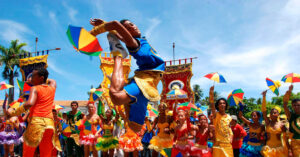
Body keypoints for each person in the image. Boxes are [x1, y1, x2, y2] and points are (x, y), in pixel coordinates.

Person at [89, 18, 165, 133]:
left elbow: (118, 31)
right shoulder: (135, 43)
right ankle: (118, 55)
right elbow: (115, 24)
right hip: (143, 81)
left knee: (135, 127)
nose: (133, 27)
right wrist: (93, 33)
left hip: (149, 84)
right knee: (116, 97)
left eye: (132, 24)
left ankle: (126, 92)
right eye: (128, 28)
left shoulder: (141, 41)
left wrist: (104, 25)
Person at [6, 67, 61, 157]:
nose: (31, 78)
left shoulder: (35, 88)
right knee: (46, 153)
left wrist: (12, 113)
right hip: (49, 125)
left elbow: (29, 103)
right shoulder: (52, 87)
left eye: (33, 76)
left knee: (28, 152)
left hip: (36, 123)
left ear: (41, 78)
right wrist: (38, 78)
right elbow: (52, 81)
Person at [261, 90, 289, 157]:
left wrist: (289, 150)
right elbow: (264, 111)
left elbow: (286, 138)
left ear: (278, 114)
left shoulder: (282, 124)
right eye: (271, 113)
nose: (273, 114)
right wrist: (264, 97)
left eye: (275, 113)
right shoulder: (268, 123)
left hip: (280, 149)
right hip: (269, 149)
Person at [209, 86, 233, 157]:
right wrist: (211, 93)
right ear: (218, 106)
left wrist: (231, 138)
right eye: (220, 103)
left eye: (224, 103)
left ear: (226, 105)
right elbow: (212, 105)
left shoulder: (229, 117)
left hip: (227, 144)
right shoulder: (216, 115)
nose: (222, 104)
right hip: (218, 144)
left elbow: (230, 129)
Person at [283, 85, 300, 157]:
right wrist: (289, 92)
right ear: (292, 106)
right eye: (294, 105)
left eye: (298, 105)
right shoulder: (291, 116)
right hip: (295, 143)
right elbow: (284, 104)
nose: (296, 107)